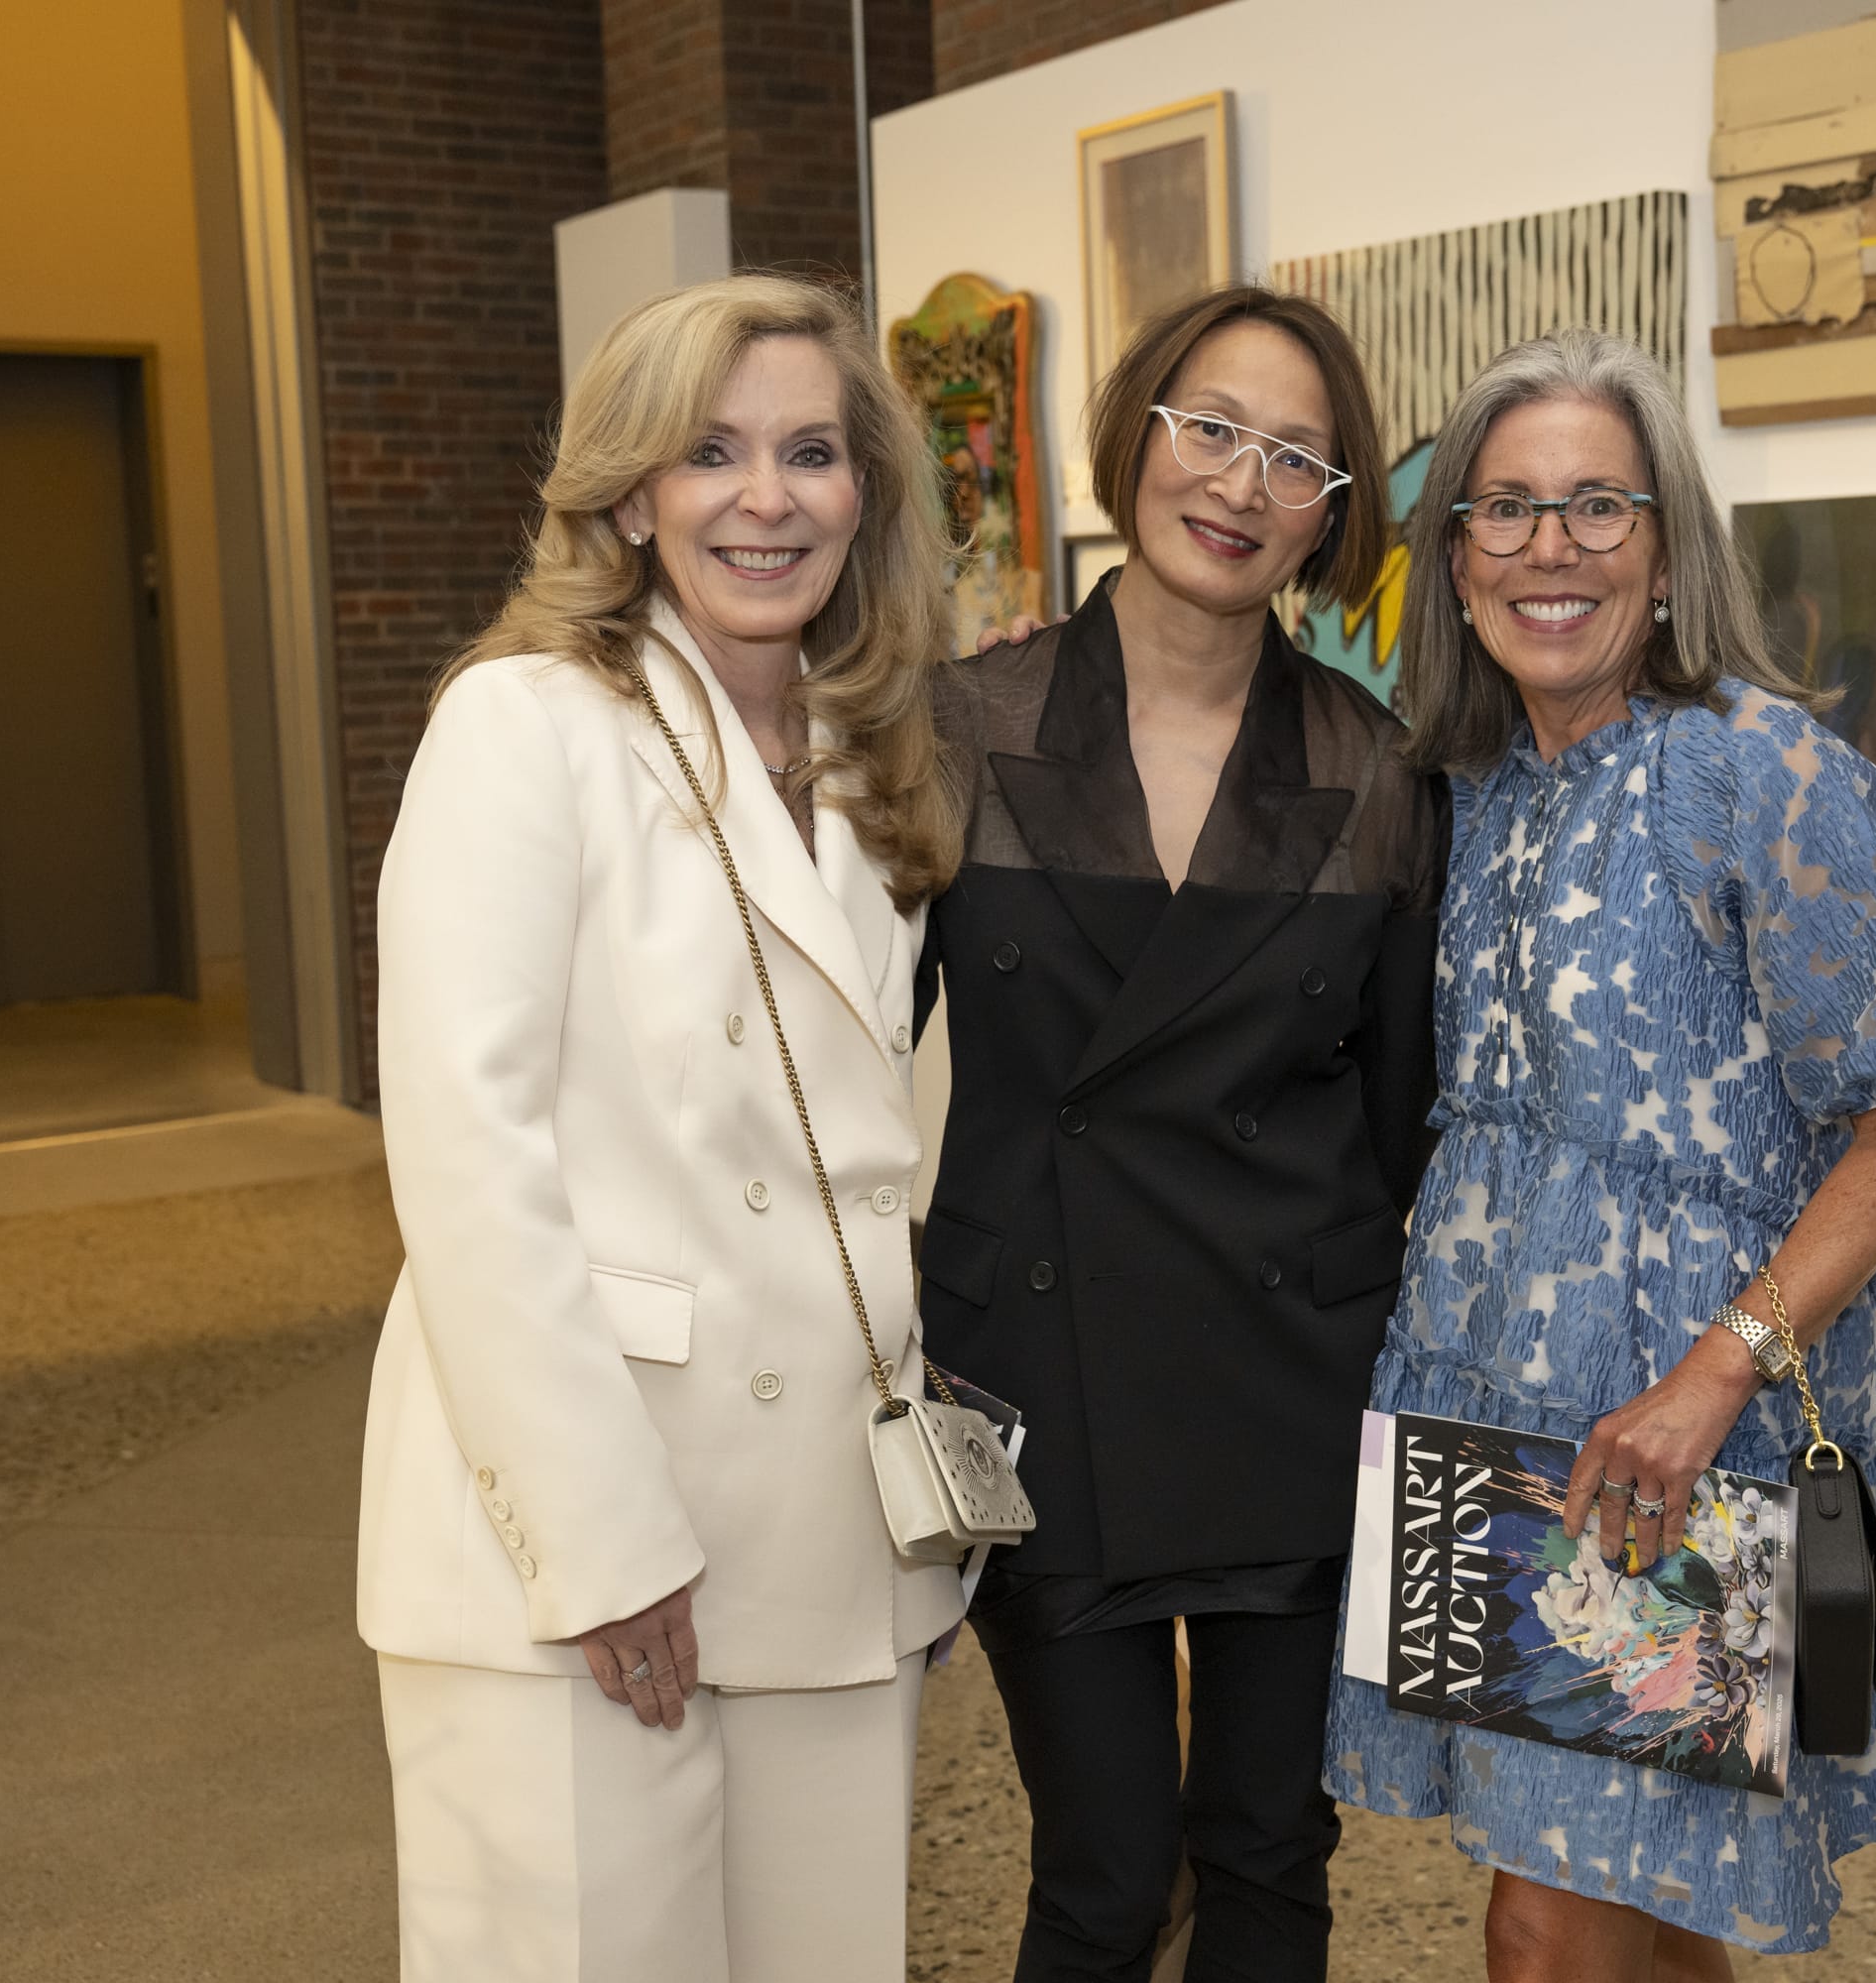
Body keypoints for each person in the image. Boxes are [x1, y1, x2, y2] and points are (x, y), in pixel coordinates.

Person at [1325, 327, 1876, 1979]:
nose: (1551, 547)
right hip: (1490, 1411)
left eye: (1599, 507)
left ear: (1673, 549)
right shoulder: (1467, 785)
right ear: (1456, 555)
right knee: (1622, 1889)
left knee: (1546, 1921)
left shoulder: (1753, 772)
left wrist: (1716, 1376)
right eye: (1508, 509)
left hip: (1669, 1448)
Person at [356, 272, 965, 1983]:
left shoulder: (865, 748)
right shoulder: (526, 724)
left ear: (866, 493)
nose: (766, 498)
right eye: (712, 451)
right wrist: (604, 1548)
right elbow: (467, 1161)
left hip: (828, 1538)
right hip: (583, 1529)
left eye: (812, 453)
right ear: (630, 492)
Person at [914, 286, 1449, 1983]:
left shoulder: (1374, 776)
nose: (1240, 482)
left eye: (1296, 455)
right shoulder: (959, 731)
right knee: (1104, 1865)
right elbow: (842, 1074)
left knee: (1271, 1853)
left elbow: (1400, 1117)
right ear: (1135, 432)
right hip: (1035, 1372)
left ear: (1335, 511)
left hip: (1288, 1364)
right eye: (1210, 426)